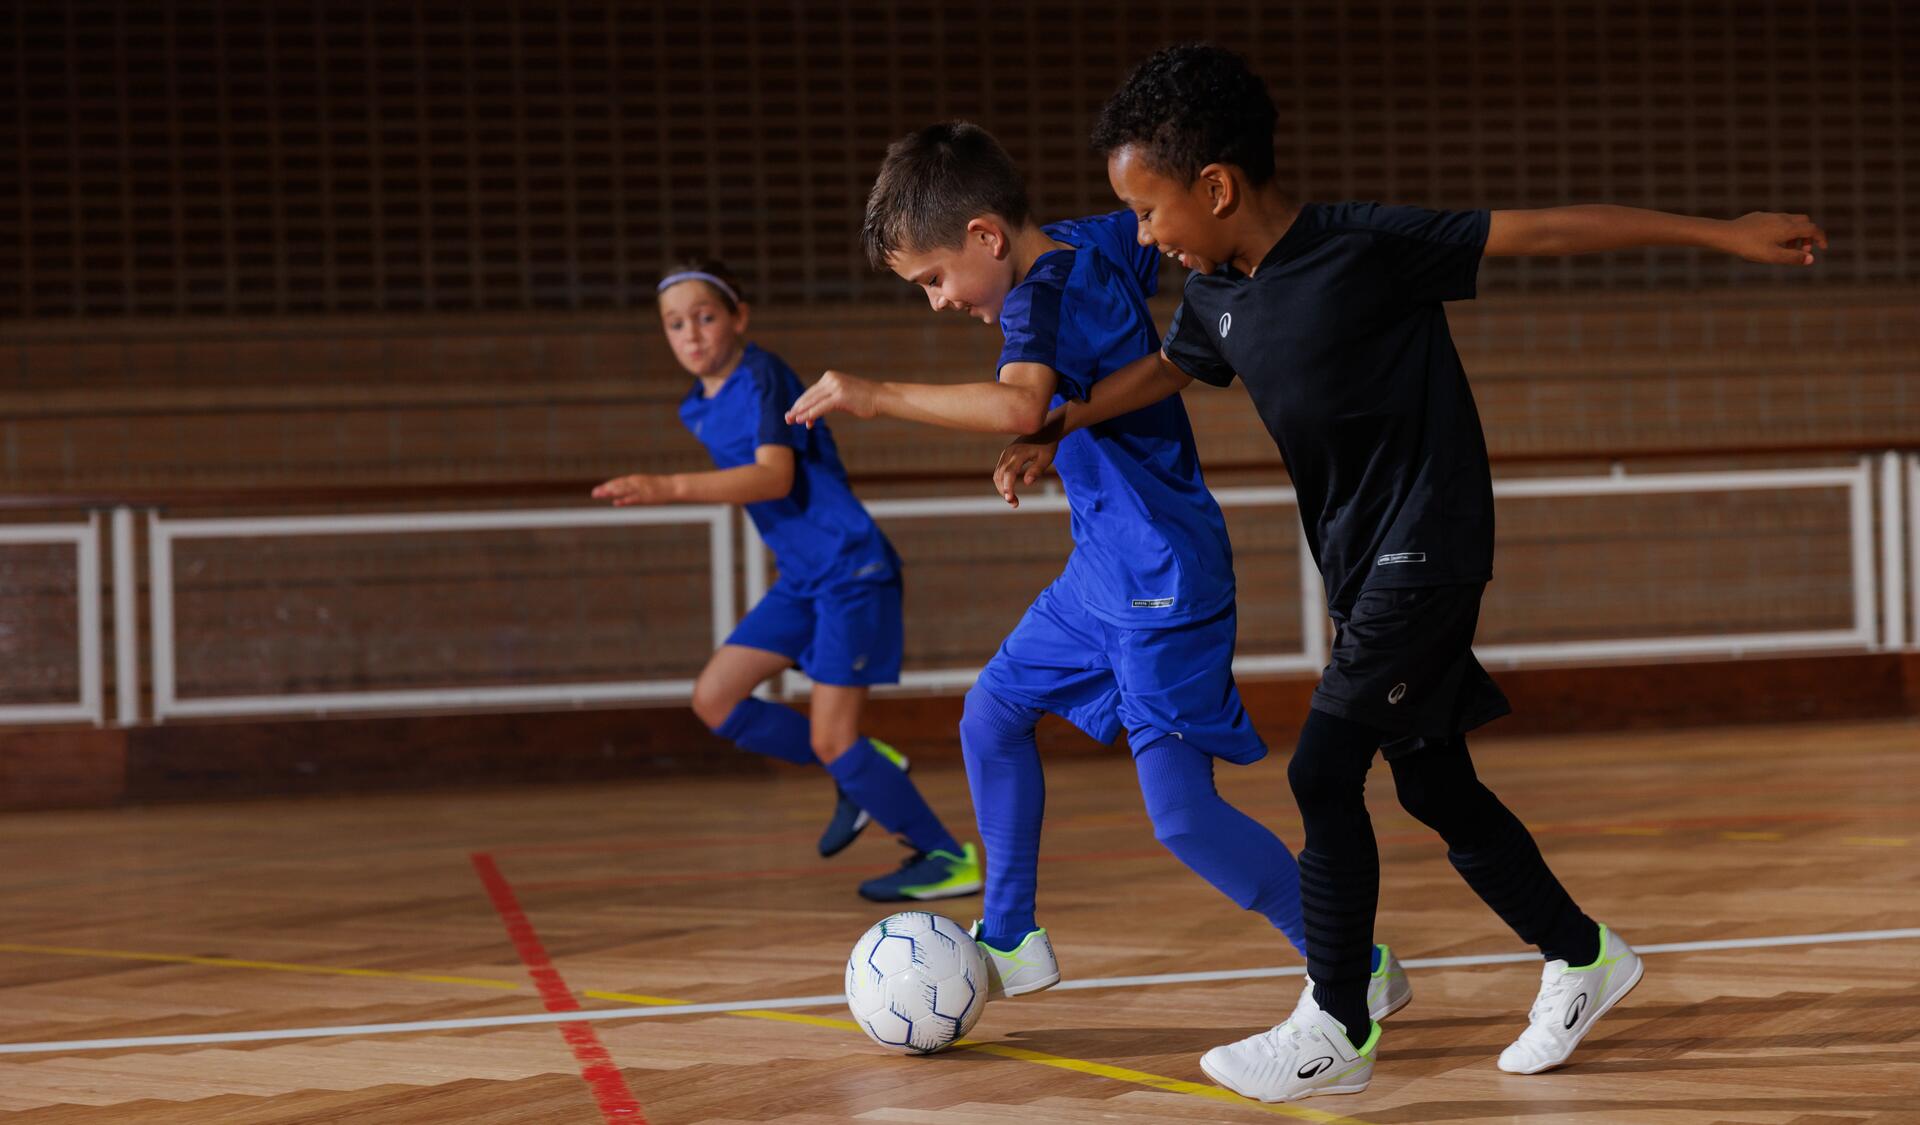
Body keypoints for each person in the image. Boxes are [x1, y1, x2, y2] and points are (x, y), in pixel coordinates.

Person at [992, 43, 1826, 1102]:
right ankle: (1583, 957)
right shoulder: (1216, 297)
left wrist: (1726, 234)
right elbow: (1167, 371)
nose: (1145, 235)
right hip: (1361, 566)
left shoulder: (1364, 245)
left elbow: (1552, 228)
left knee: (1321, 772)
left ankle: (1336, 1023)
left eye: (1150, 211)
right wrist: (1059, 423)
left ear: (1217, 186)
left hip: (1431, 547)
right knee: (1433, 781)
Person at [786, 123, 1411, 1022]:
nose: (936, 302)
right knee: (991, 713)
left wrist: (876, 395)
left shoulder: (1036, 295)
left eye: (933, 280)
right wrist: (1059, 436)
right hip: (1101, 572)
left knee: (1184, 819)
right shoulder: (1094, 237)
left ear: (987, 238)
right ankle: (1012, 936)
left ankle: (1352, 962)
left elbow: (1019, 396)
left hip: (1162, 576)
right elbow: (1130, 286)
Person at [594, 258, 981, 903]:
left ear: (739, 317)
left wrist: (667, 486)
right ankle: (864, 767)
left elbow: (773, 477)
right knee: (715, 701)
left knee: (834, 737)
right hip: (804, 579)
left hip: (851, 569)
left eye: (705, 317)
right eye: (674, 325)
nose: (691, 334)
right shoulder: (698, 406)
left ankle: (946, 856)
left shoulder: (764, 375)